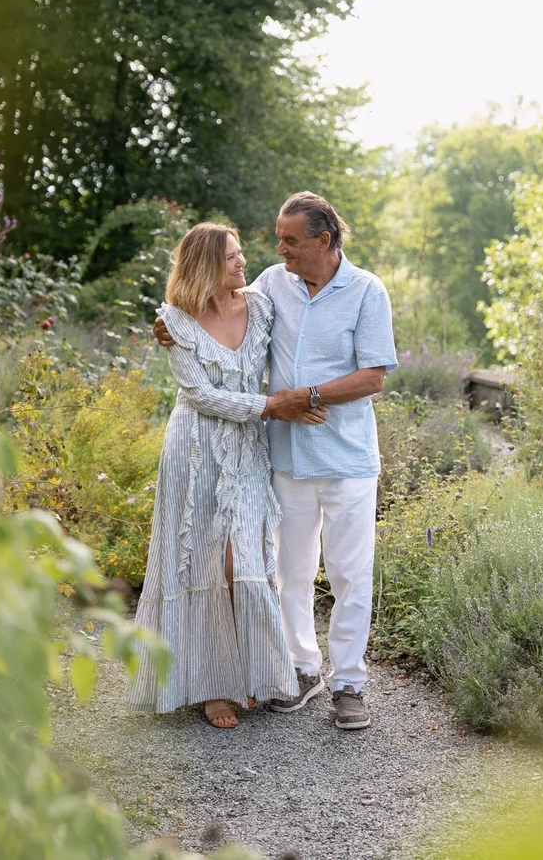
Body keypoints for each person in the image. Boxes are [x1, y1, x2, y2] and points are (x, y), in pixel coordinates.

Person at [155, 192, 397, 730]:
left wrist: (304, 398)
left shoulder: (365, 291)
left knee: (351, 574)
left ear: (323, 240)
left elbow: (374, 376)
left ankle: (350, 683)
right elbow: (214, 303)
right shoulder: (270, 284)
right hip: (284, 456)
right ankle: (302, 669)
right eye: (278, 237)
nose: (278, 247)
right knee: (288, 571)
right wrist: (170, 325)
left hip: (347, 458)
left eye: (290, 239)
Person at [125, 222, 326, 729]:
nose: (243, 263)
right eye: (232, 258)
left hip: (247, 449)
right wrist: (272, 405)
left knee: (243, 562)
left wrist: (292, 401)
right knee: (199, 562)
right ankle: (211, 686)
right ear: (204, 267)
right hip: (194, 449)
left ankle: (252, 672)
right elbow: (199, 395)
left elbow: (308, 335)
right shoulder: (174, 320)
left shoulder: (261, 305)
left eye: (240, 255)